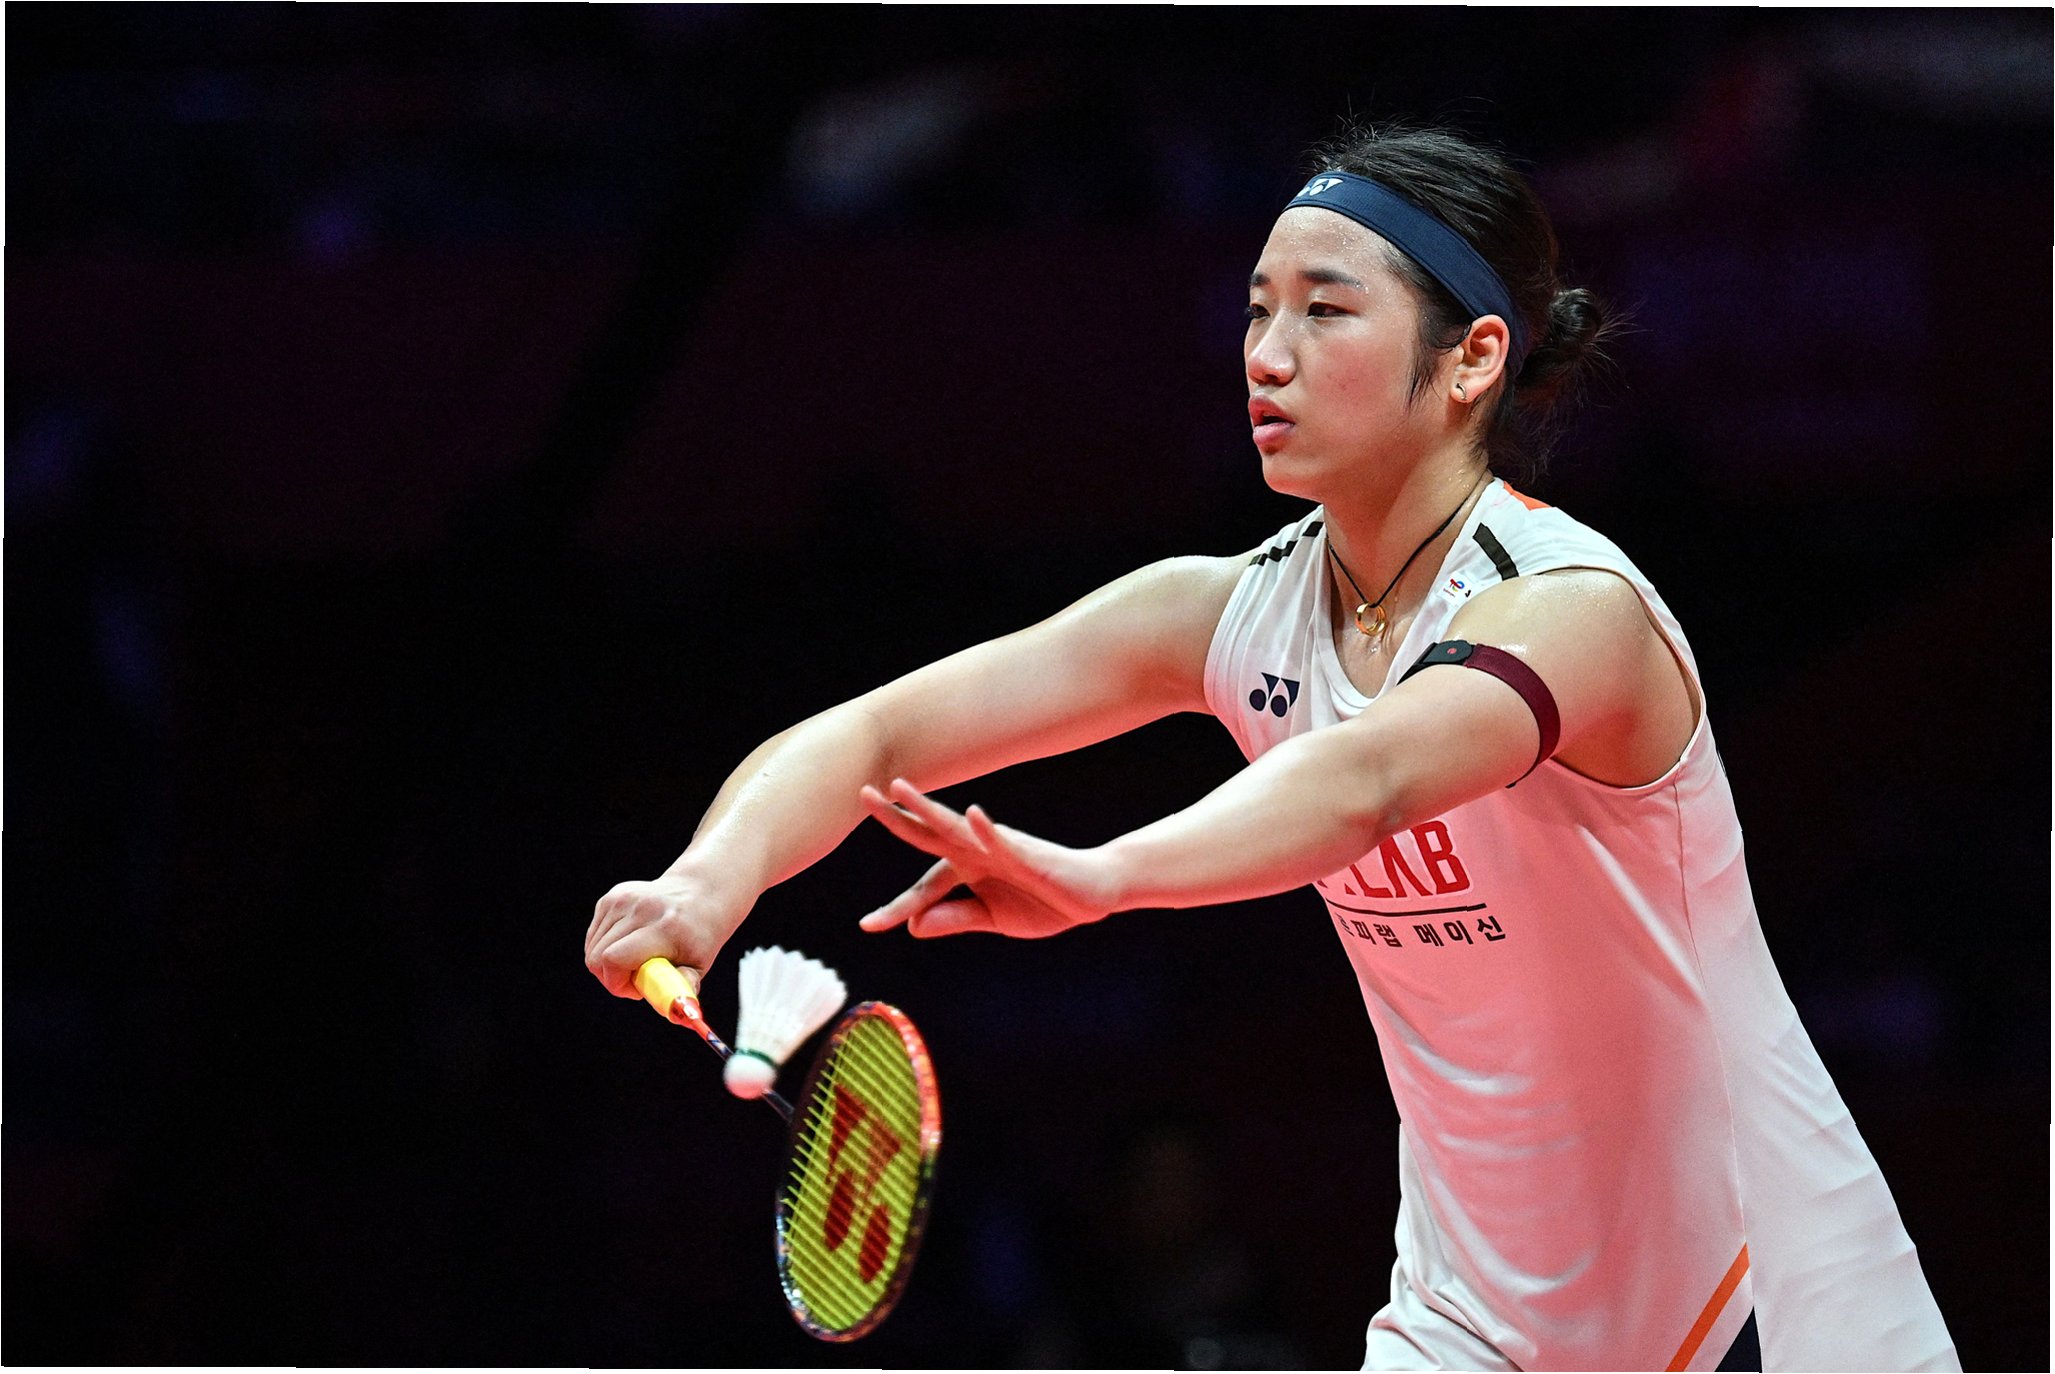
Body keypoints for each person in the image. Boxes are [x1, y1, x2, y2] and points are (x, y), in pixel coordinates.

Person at [584, 121, 1958, 1371]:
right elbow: (881, 729)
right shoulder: (1232, 612)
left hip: (1762, 1303)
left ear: (1474, 358)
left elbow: (1366, 778)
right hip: (1467, 1321)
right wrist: (708, 881)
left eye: (1325, 309)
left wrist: (1102, 876)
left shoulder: (1573, 611)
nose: (1268, 352)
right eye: (1256, 309)